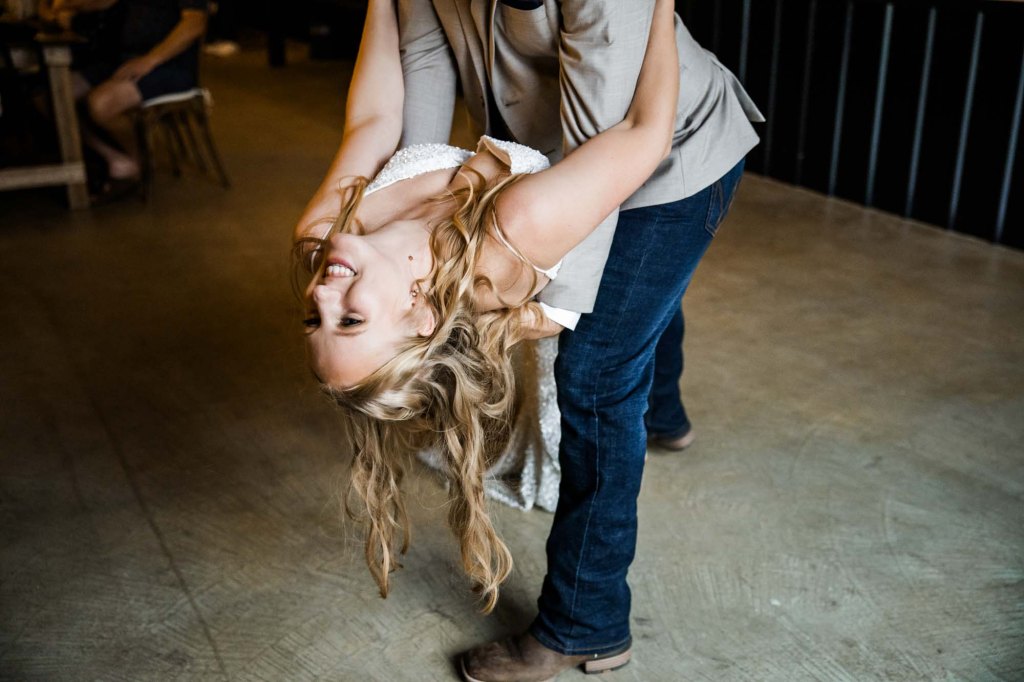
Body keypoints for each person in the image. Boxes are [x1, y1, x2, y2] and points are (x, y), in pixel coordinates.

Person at [393, 1, 764, 680]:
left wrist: (560, 307)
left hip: (668, 156)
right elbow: (424, 55)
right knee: (633, 311)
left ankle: (585, 625)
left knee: (596, 371)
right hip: (560, 154)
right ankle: (667, 415)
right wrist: (410, 220)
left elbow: (610, 139)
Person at [294, 0, 679, 620]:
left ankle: (671, 406)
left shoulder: (321, 237)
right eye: (350, 319)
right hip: (650, 161)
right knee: (601, 369)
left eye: (315, 319)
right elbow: (643, 134)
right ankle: (591, 622)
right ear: (420, 314)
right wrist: (661, 10)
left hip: (564, 129)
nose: (319, 295)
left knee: (646, 314)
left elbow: (371, 118)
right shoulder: (511, 232)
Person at [45, 0, 207, 200]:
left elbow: (195, 23)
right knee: (55, 95)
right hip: (125, 60)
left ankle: (139, 159)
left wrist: (150, 60)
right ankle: (115, 158)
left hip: (168, 66)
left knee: (101, 104)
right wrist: (64, 6)